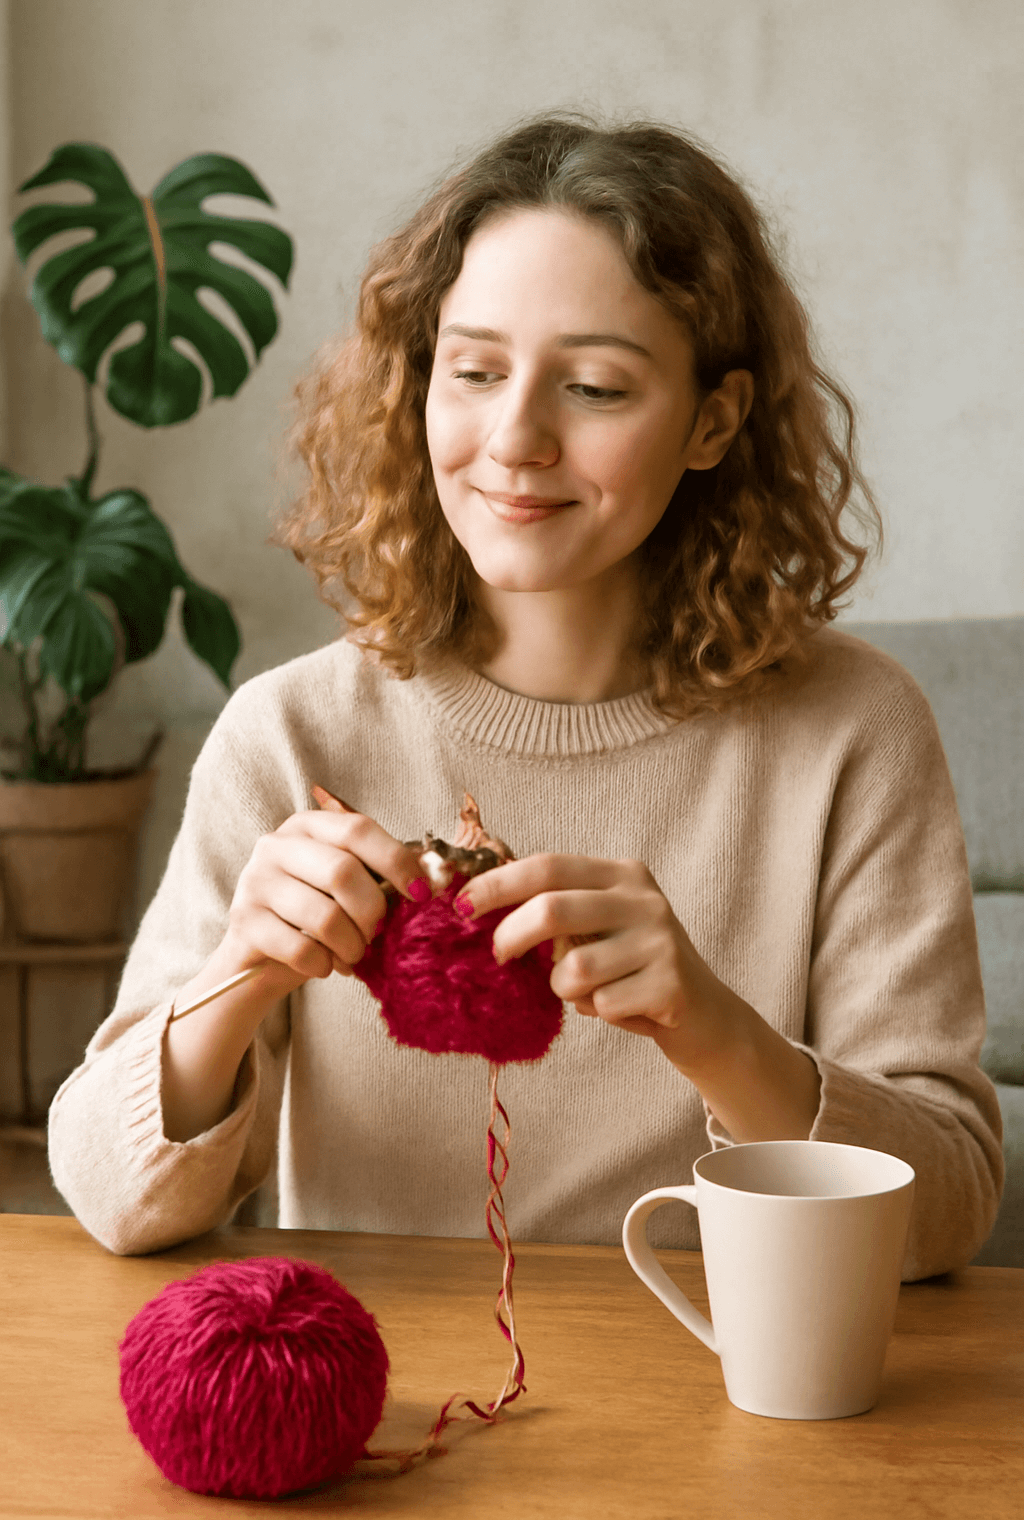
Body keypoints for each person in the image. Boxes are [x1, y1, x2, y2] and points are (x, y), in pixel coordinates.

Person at [48, 116, 1002, 1278]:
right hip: (381, 1418)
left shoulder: (854, 730)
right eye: (476, 372)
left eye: (595, 387)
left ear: (712, 421)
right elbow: (108, 1199)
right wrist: (237, 978)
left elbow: (950, 1208)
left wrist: (711, 1031)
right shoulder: (291, 733)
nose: (514, 439)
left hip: (728, 1406)